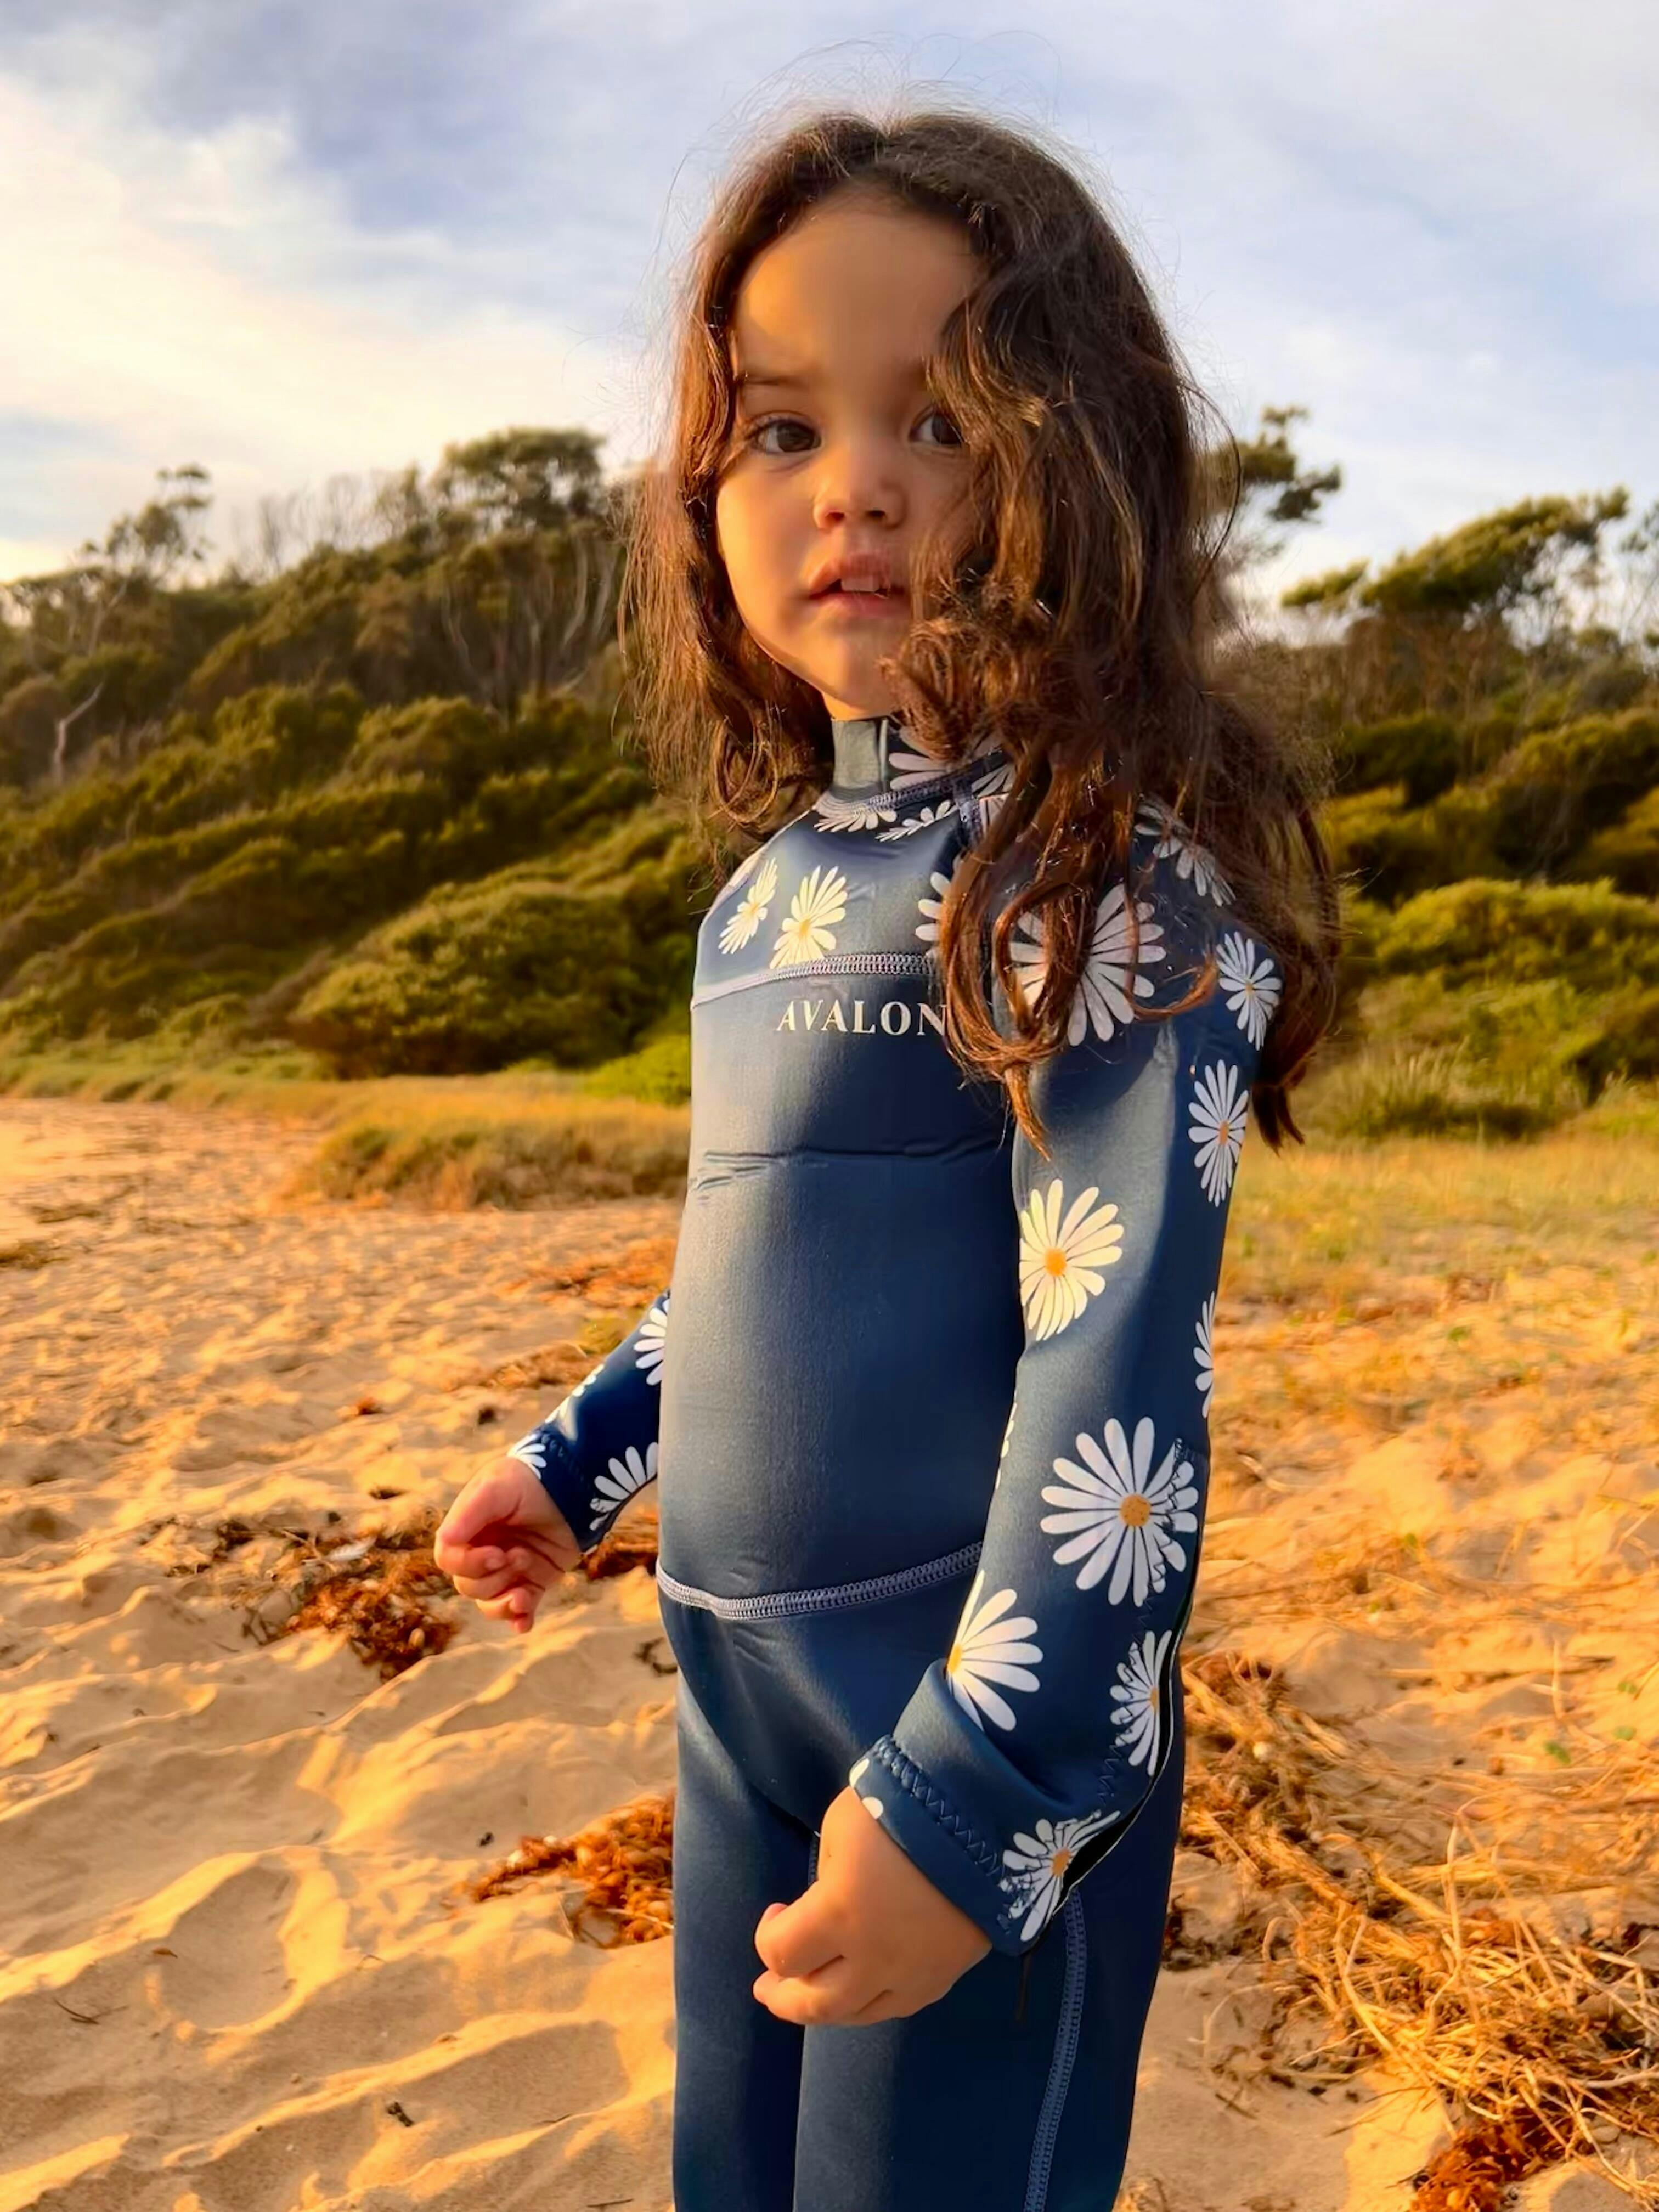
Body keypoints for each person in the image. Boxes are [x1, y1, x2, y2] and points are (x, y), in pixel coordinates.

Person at [436, 103, 1338, 2212]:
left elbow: (1121, 1397)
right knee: (733, 2169)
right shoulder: (758, 904)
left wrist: (980, 1794)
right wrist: (574, 1462)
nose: (855, 483)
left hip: (969, 1708)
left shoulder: (1103, 891)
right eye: (780, 429)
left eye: (942, 419)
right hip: (731, 1693)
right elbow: (747, 1269)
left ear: (1082, 464)